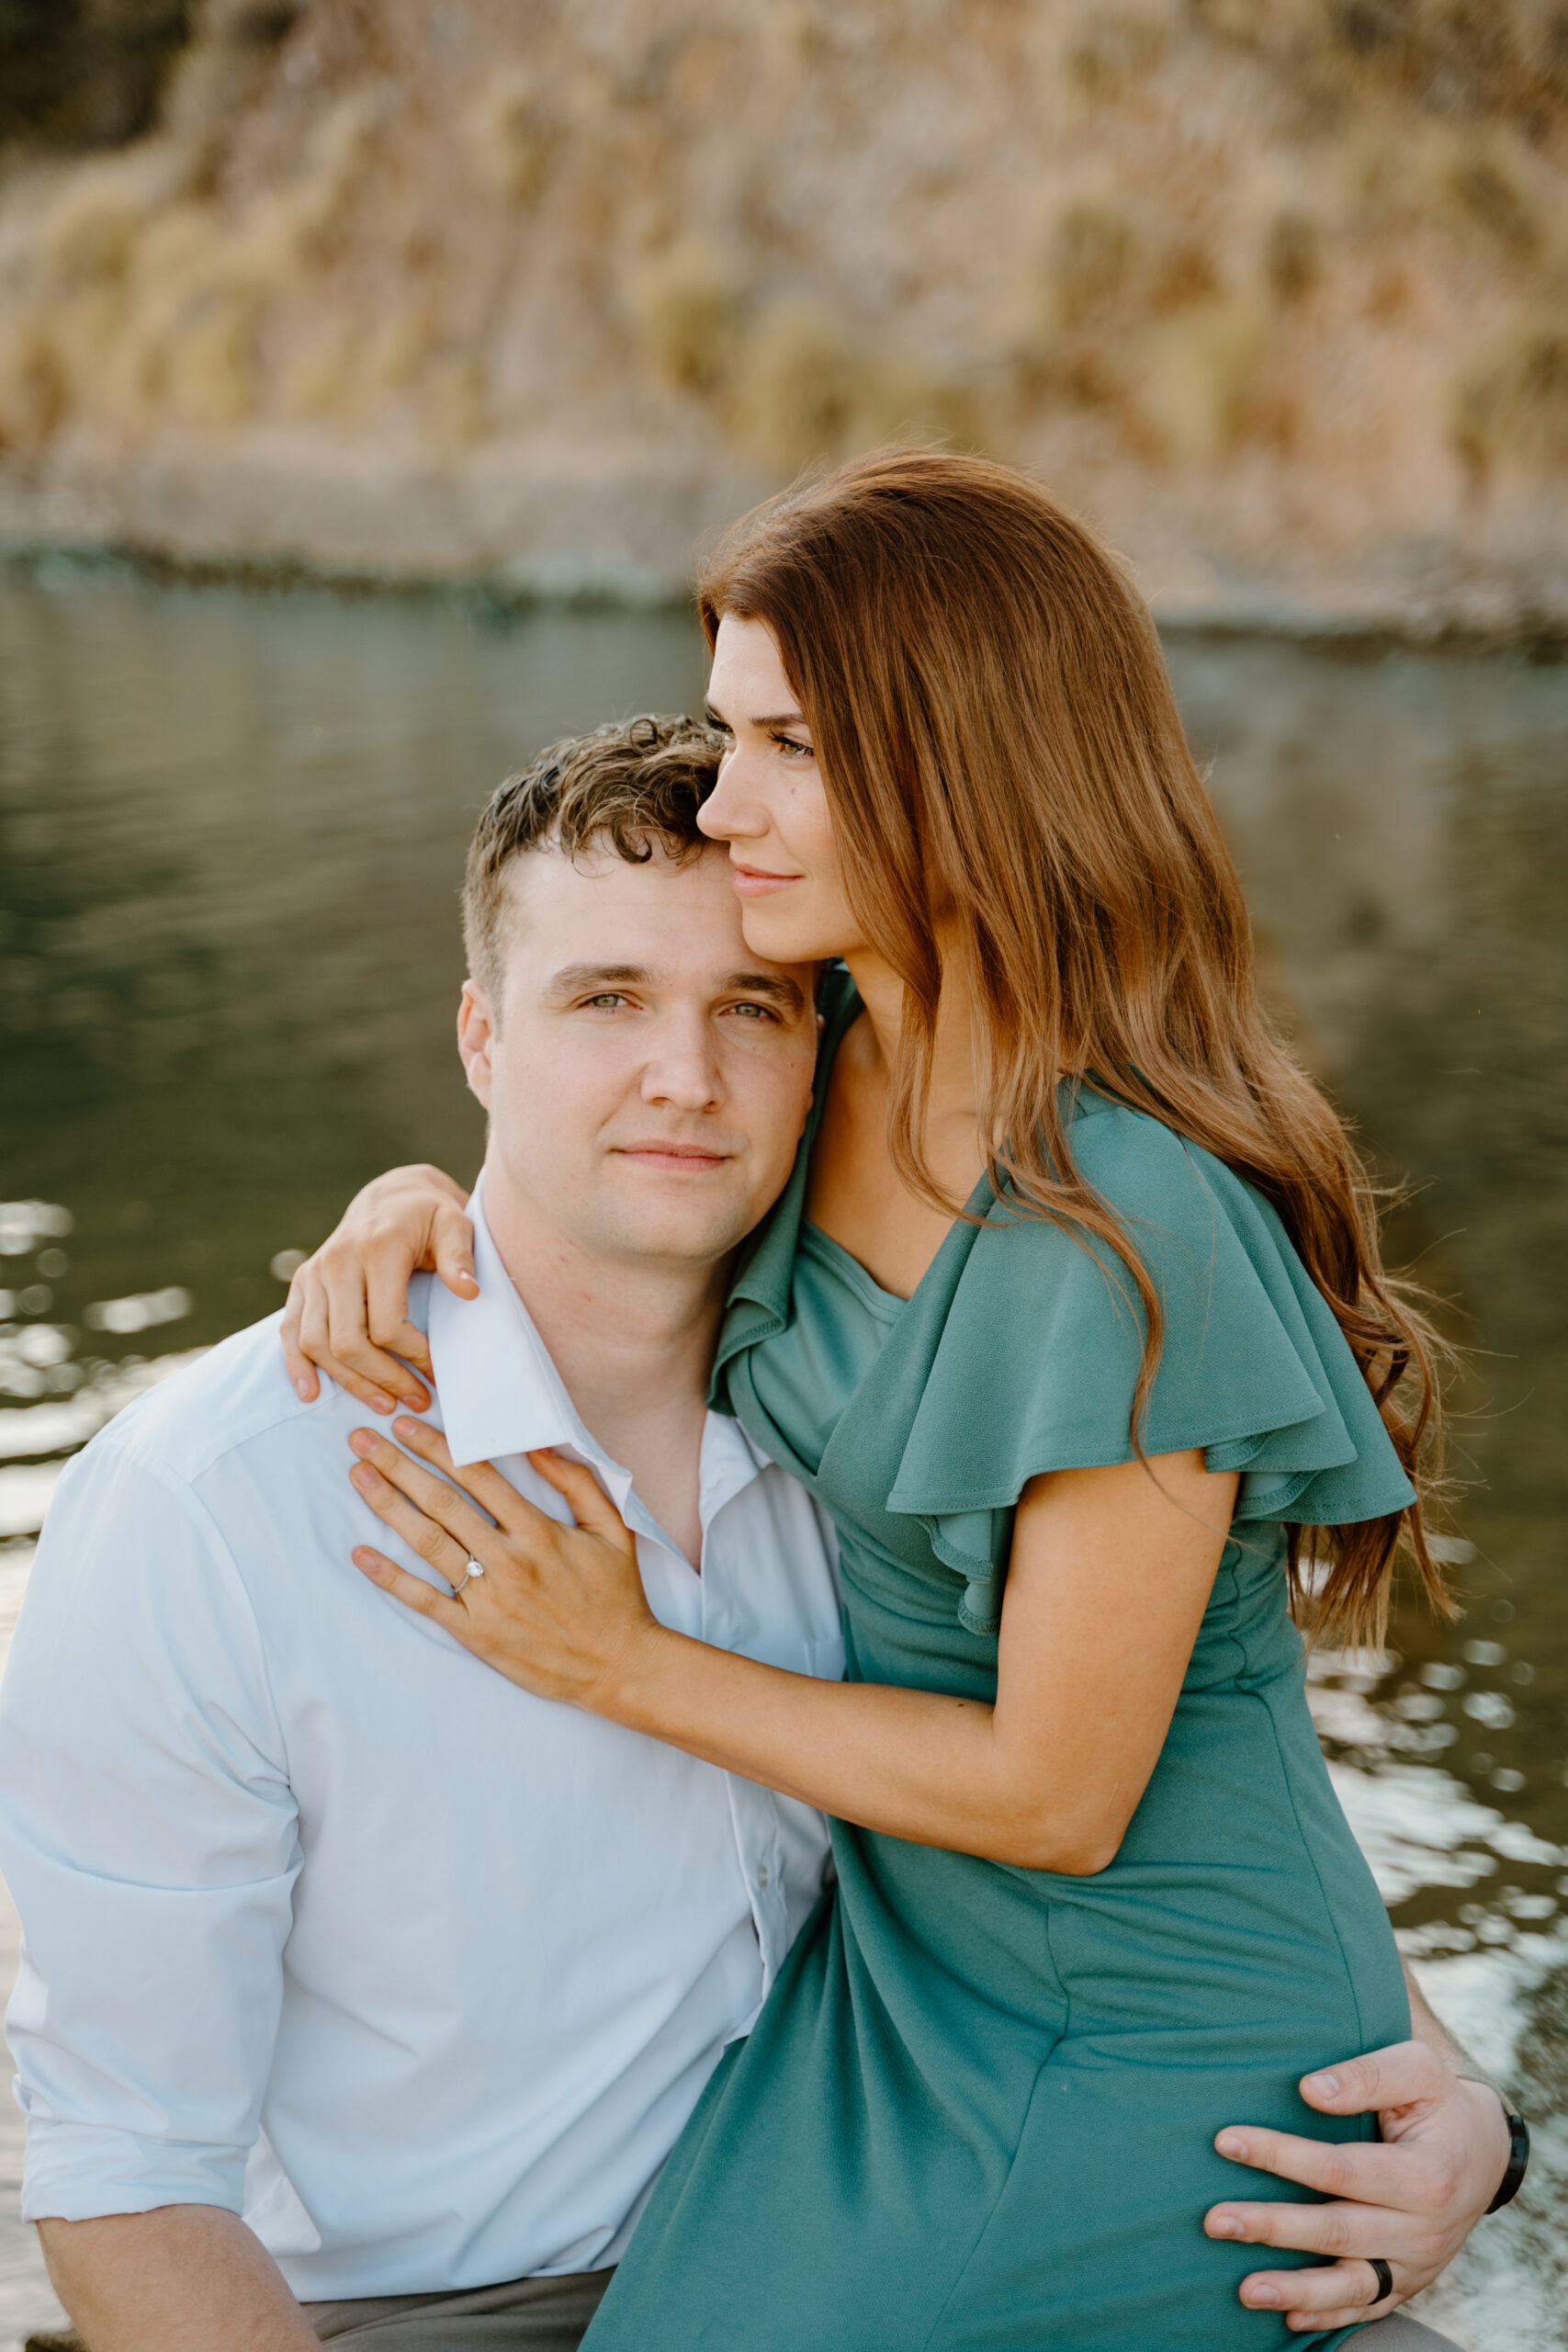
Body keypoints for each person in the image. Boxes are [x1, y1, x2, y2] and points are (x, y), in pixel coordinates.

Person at [288, 454, 1520, 2351]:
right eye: (722, 731)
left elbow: (1058, 1787)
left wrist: (613, 1658)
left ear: (957, 766)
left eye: (784, 741)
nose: (723, 800)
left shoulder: (1119, 1225)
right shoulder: (821, 1048)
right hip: (897, 1973)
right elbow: (613, 1147)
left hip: (1136, 2020)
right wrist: (407, 1201)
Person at [0, 718, 848, 2352]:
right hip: (440, 2318)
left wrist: (1456, 2116)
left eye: (753, 1007)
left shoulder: (877, 1433)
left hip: (875, 2267)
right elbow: (131, 2179)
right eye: (605, 1001)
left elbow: (1152, 1779)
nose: (687, 1074)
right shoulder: (213, 1507)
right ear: (479, 1036)